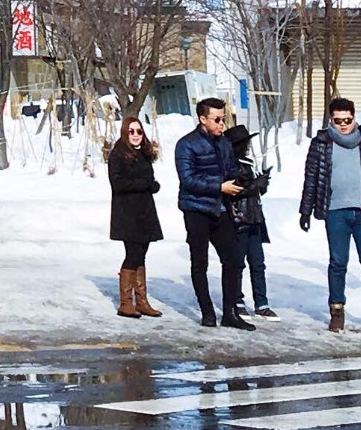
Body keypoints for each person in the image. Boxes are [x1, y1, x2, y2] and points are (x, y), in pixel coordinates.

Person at [298, 97, 361, 337]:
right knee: (338, 261)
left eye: (348, 120)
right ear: (331, 120)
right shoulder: (321, 142)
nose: (343, 125)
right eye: (338, 120)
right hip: (335, 211)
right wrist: (305, 209)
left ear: (354, 118)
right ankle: (337, 312)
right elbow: (311, 177)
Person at [175, 96, 252, 331]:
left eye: (223, 119)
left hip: (221, 208)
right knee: (200, 262)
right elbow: (188, 179)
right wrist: (220, 186)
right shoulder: (186, 144)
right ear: (202, 119)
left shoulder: (224, 143)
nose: (221, 124)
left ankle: (230, 312)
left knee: (234, 260)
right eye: (217, 119)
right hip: (197, 209)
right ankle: (207, 312)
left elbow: (229, 169)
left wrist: (242, 180)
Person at [107, 117, 164, 319]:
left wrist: (153, 185)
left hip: (145, 211)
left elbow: (149, 179)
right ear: (124, 133)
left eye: (139, 131)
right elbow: (118, 183)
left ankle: (142, 300)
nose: (136, 135)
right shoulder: (118, 154)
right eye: (131, 131)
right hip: (127, 213)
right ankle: (125, 302)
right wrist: (143, 184)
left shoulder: (144, 154)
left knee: (141, 254)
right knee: (133, 253)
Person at [227, 123, 277, 319]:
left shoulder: (247, 163)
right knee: (238, 263)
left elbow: (255, 192)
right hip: (239, 220)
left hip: (255, 219)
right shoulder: (230, 165)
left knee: (258, 263)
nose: (248, 146)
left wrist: (263, 183)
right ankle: (237, 299)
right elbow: (236, 190)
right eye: (245, 143)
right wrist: (256, 185)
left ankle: (261, 302)